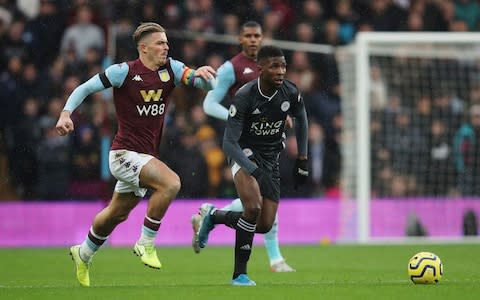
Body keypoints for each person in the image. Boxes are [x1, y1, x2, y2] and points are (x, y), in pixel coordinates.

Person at [55, 22, 216, 287]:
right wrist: (65, 113)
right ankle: (146, 242)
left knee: (116, 214)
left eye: (166, 42)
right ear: (144, 48)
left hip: (144, 156)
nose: (166, 46)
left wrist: (204, 77)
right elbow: (85, 88)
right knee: (171, 182)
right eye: (160, 43)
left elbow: (198, 82)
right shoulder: (123, 72)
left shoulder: (171, 69)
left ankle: (83, 253)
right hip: (123, 154)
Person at [194, 45, 309, 286]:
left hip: (271, 160)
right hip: (243, 155)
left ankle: (213, 216)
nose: (281, 71)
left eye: (284, 66)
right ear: (260, 68)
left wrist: (302, 158)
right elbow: (229, 143)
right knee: (253, 208)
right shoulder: (245, 95)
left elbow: (302, 117)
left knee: (265, 224)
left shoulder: (289, 91)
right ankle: (240, 275)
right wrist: (253, 169)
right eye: (275, 66)